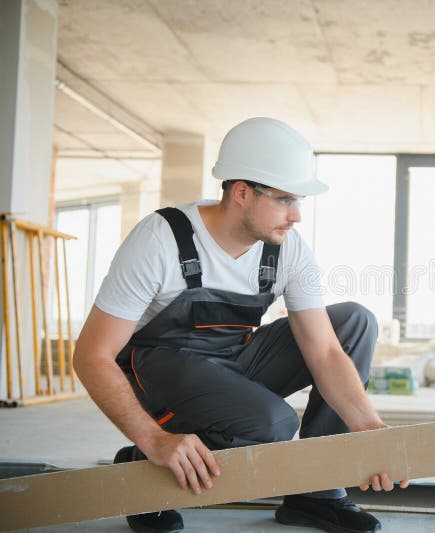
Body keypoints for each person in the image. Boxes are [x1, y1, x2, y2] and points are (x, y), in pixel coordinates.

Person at [73, 117, 408, 533]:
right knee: (273, 423)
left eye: (299, 200)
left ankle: (316, 494)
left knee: (354, 321)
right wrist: (152, 439)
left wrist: (369, 430)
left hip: (230, 360)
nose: (297, 215)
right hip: (161, 369)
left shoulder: (286, 249)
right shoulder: (161, 240)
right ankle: (143, 472)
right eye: (286, 199)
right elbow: (91, 355)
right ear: (243, 193)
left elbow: (324, 350)